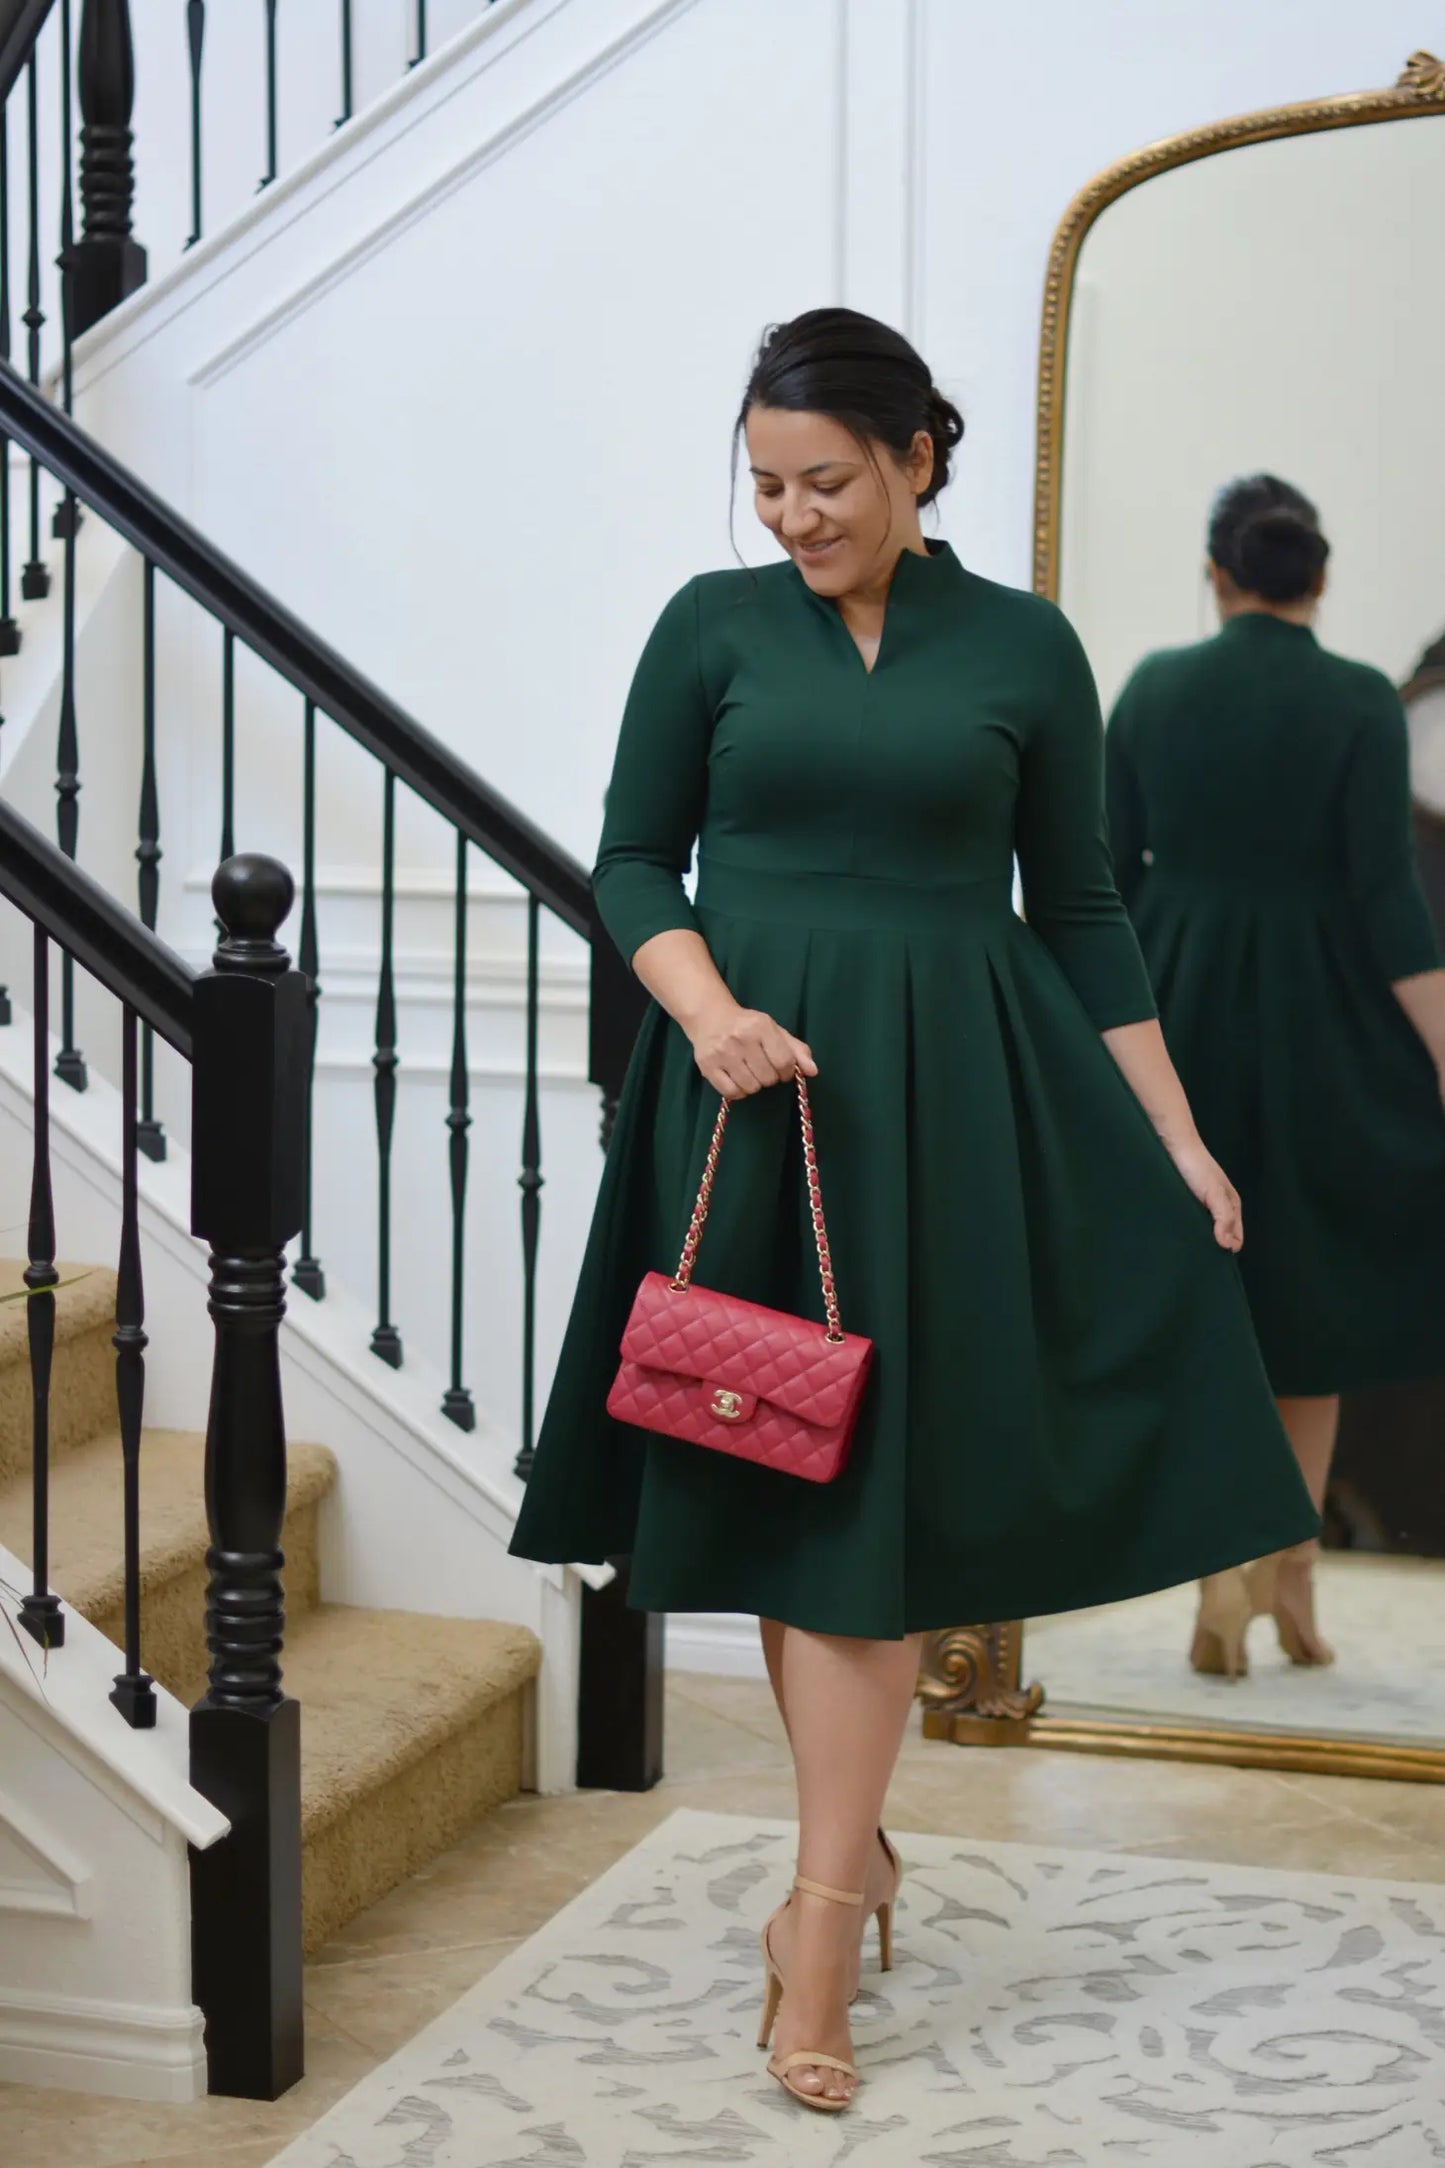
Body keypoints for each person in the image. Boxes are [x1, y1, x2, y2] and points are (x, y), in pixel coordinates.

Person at [510, 314, 1317, 2112]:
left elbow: (1087, 905)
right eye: (768, 485)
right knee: (797, 1487)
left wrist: (1173, 1133)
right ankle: (847, 1868)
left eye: (829, 482)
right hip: (751, 1087)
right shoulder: (707, 629)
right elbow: (637, 855)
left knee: (859, 1524)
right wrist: (707, 1012)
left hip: (956, 1099)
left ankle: (820, 1906)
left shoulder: (1025, 645)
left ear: (918, 460)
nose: (793, 516)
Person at [1106, 474, 1445, 1679]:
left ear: (1216, 576)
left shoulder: (1151, 688)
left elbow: (1101, 881)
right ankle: (1280, 1566)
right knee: (1315, 1312)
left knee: (1212, 1310)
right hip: (1321, 1036)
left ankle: (1230, 1567)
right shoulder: (1357, 701)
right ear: (1318, 579)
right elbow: (1385, 901)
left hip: (1171, 1017)